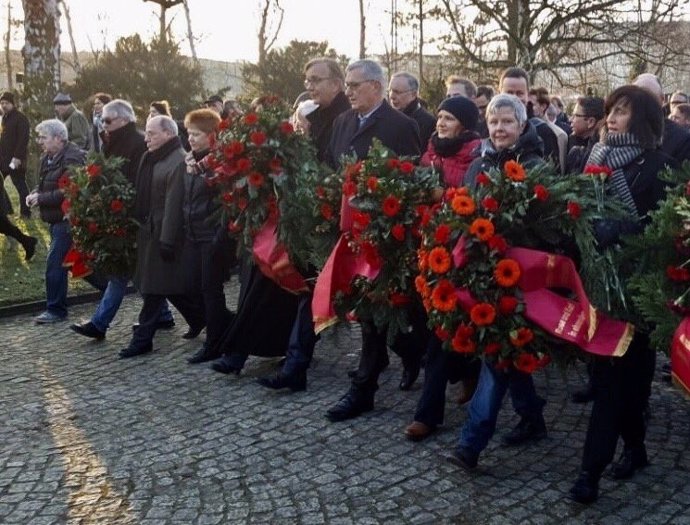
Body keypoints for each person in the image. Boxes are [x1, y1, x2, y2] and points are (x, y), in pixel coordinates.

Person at [569, 85, 678, 504]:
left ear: (645, 117)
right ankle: (636, 448)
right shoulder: (592, 158)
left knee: (617, 380)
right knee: (622, 382)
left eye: (624, 111)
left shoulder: (659, 166)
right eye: (611, 110)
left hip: (638, 292)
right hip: (599, 287)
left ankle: (588, 473)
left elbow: (664, 230)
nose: (612, 117)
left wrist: (623, 229)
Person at [446, 94, 548, 470]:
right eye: (494, 122)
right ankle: (532, 417)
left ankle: (470, 443)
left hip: (520, 275)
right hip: (482, 273)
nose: (500, 129)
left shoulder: (535, 166)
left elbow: (544, 227)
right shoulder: (478, 165)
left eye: (508, 122)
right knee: (506, 353)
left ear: (522, 126)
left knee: (497, 356)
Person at [324, 59, 426, 422]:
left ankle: (363, 389)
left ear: (377, 87)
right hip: (349, 234)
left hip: (383, 236)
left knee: (373, 310)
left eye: (354, 84)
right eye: (347, 84)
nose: (348, 90)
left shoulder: (402, 126)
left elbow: (412, 180)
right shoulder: (342, 122)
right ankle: (412, 352)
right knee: (371, 312)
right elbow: (331, 168)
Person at [256, 57, 350, 392]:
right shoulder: (312, 114)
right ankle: (295, 364)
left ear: (336, 84)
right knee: (311, 290)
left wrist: (306, 139)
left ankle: (405, 354)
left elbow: (330, 166)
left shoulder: (343, 118)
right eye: (306, 79)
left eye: (316, 80)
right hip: (313, 216)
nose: (308, 86)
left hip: (335, 217)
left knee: (353, 300)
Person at [404, 95, 483, 442]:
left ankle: (428, 414)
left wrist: (443, 195)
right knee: (429, 325)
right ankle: (469, 369)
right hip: (428, 247)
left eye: (449, 118)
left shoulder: (475, 153)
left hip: (459, 250)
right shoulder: (430, 150)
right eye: (439, 116)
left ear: (464, 124)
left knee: (441, 331)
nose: (441, 123)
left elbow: (473, 199)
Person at [69, 99, 176, 340]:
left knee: (122, 273)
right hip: (121, 215)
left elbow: (141, 181)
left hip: (132, 216)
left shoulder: (137, 143)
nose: (102, 124)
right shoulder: (112, 142)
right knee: (135, 272)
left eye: (107, 120)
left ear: (123, 120)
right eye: (101, 120)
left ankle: (100, 323)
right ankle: (164, 314)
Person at [118, 116, 205, 358]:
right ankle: (202, 317)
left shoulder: (177, 161)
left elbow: (174, 204)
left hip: (165, 234)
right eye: (146, 133)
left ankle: (142, 339)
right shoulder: (151, 157)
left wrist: (167, 240)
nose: (146, 138)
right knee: (167, 286)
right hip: (148, 231)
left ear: (168, 134)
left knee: (154, 288)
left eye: (151, 133)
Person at [180, 109, 236, 364]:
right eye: (189, 133)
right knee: (190, 285)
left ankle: (215, 343)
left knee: (210, 290)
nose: (190, 138)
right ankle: (231, 324)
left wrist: (219, 236)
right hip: (193, 233)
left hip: (212, 235)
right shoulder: (190, 161)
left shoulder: (220, 163)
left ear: (212, 136)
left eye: (197, 134)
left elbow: (225, 202)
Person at [26, 119, 87, 323]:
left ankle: (55, 309)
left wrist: (41, 198)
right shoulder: (48, 157)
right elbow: (45, 184)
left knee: (55, 263)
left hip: (68, 219)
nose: (39, 141)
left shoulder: (73, 157)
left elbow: (70, 189)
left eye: (43, 137)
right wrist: (35, 193)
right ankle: (112, 288)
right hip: (55, 220)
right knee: (73, 262)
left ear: (59, 138)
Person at [499, 67, 560, 172]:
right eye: (509, 93)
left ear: (527, 95)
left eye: (519, 93)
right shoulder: (490, 129)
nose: (514, 98)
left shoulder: (543, 131)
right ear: (499, 93)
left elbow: (552, 177)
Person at [633, 73, 690, 163]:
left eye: (649, 96)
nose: (642, 101)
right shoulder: (616, 132)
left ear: (662, 100)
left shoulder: (682, 140)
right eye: (636, 96)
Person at [0, 91, 31, 217]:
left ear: (12, 104)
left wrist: (17, 158)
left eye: (6, 103)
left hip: (15, 160)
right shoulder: (4, 119)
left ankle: (26, 212)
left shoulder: (21, 118)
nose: (4, 105)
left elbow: (23, 140)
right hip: (3, 159)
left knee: (20, 185)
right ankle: (7, 210)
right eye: (2, 103)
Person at [388, 71, 436, 146]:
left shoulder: (428, 123)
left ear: (413, 94)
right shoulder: (386, 118)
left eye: (397, 92)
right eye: (390, 91)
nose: (392, 96)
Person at [529, 87, 568, 174]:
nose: (527, 107)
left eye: (532, 104)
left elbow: (559, 171)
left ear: (543, 107)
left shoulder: (559, 135)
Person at [566, 96, 605, 174]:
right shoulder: (572, 140)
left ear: (591, 122)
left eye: (575, 116)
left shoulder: (601, 152)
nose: (570, 120)